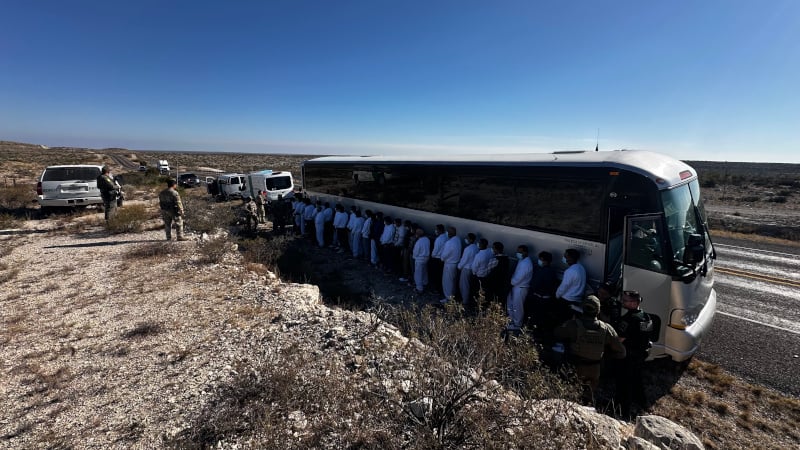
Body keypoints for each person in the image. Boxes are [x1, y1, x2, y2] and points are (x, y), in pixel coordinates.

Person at [554, 295, 626, 403]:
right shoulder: (606, 329)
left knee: (570, 397)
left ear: (583, 308)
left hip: (575, 367)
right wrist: (603, 354)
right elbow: (621, 352)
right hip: (595, 369)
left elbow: (557, 334)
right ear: (598, 310)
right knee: (588, 397)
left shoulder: (573, 325)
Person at [614, 290, 653, 418]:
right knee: (637, 379)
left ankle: (623, 411)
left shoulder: (628, 319)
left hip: (628, 356)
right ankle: (642, 402)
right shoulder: (646, 317)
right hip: (641, 354)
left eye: (625, 300)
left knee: (624, 383)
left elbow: (620, 339)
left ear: (633, 303)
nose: (622, 302)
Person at [526, 251, 559, 332]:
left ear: (546, 261)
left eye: (541, 259)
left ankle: (532, 332)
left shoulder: (544, 271)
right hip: (544, 298)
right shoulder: (550, 271)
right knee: (540, 317)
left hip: (540, 298)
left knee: (535, 317)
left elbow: (536, 284)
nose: (539, 261)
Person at [555, 248, 587, 323]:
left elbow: (564, 287)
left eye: (565, 256)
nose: (563, 258)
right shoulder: (581, 268)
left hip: (567, 301)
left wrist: (557, 295)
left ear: (570, 258)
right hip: (577, 301)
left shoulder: (570, 271)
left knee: (563, 322)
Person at [506, 245, 533, 333]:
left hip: (520, 288)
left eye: (520, 252)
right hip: (516, 286)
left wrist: (512, 282)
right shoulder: (522, 260)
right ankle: (512, 321)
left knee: (518, 307)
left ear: (525, 252)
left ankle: (517, 325)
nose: (518, 253)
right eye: (518, 251)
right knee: (512, 304)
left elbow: (519, 277)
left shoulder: (526, 263)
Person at [457, 233, 478, 305]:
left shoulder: (468, 249)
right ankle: (466, 299)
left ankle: (464, 300)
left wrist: (459, 266)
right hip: (471, 269)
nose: (466, 239)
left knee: (464, 285)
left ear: (471, 239)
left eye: (467, 238)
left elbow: (464, 260)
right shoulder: (476, 247)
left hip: (466, 269)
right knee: (468, 284)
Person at [470, 238, 493, 303]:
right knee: (483, 293)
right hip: (486, 276)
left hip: (479, 276)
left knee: (476, 292)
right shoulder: (489, 252)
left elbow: (474, 267)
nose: (478, 244)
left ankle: (475, 306)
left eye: (479, 243)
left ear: (482, 245)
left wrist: (473, 274)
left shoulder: (479, 255)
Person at [429, 224, 447, 296]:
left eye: (436, 229)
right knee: (440, 275)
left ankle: (435, 290)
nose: (435, 231)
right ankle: (439, 289)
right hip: (442, 259)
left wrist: (432, 255)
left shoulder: (439, 239)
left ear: (440, 230)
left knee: (435, 275)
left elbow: (435, 250)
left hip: (436, 259)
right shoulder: (446, 237)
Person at [412, 227, 431, 294]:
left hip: (419, 259)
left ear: (418, 234)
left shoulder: (419, 242)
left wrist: (414, 257)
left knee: (418, 274)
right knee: (424, 272)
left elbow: (416, 252)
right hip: (426, 258)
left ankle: (419, 288)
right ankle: (425, 283)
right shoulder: (427, 239)